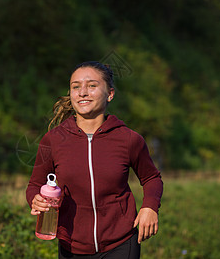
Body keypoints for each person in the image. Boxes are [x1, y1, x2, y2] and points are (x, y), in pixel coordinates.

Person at [26, 61, 163, 258]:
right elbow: (34, 184)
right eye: (75, 87)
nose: (82, 92)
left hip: (121, 243)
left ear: (110, 93)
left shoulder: (129, 139)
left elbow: (152, 178)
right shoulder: (53, 140)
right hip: (71, 246)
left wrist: (150, 207)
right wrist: (35, 199)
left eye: (92, 86)